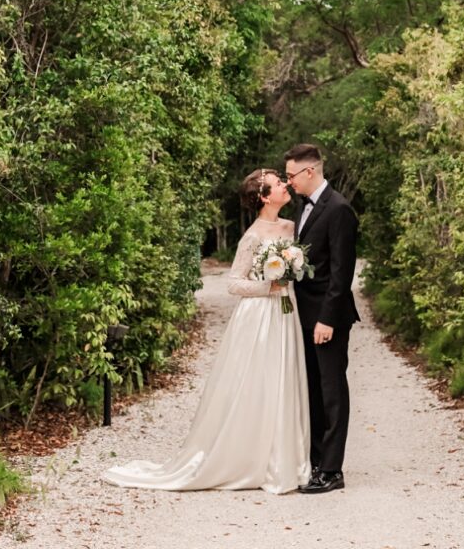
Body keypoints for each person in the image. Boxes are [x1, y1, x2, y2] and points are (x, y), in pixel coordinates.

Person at [101, 169, 311, 494]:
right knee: (258, 381)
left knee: (284, 378)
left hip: (286, 313)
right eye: (278, 183)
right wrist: (269, 286)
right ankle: (249, 456)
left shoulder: (290, 226)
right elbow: (234, 283)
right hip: (259, 316)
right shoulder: (253, 235)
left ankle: (284, 455)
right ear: (264, 196)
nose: (285, 185)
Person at [284, 143, 360, 494]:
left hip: (328, 319)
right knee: (312, 390)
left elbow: (342, 274)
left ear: (310, 171)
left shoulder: (340, 209)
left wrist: (327, 320)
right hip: (303, 314)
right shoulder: (303, 209)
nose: (288, 183)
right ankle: (316, 463)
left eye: (291, 176)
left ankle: (332, 470)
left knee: (331, 392)